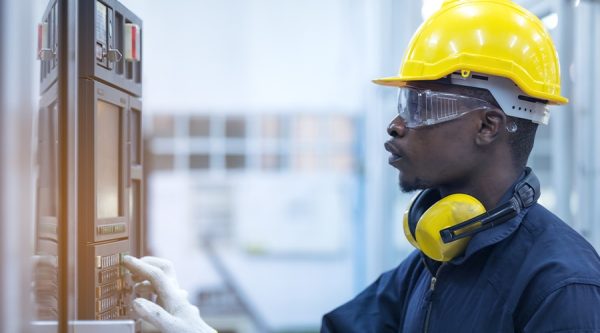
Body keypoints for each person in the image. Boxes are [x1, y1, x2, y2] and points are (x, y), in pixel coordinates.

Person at [124, 0, 600, 332]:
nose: (396, 126)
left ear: (488, 126)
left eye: (421, 105)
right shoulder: (433, 261)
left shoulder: (561, 287)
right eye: (401, 103)